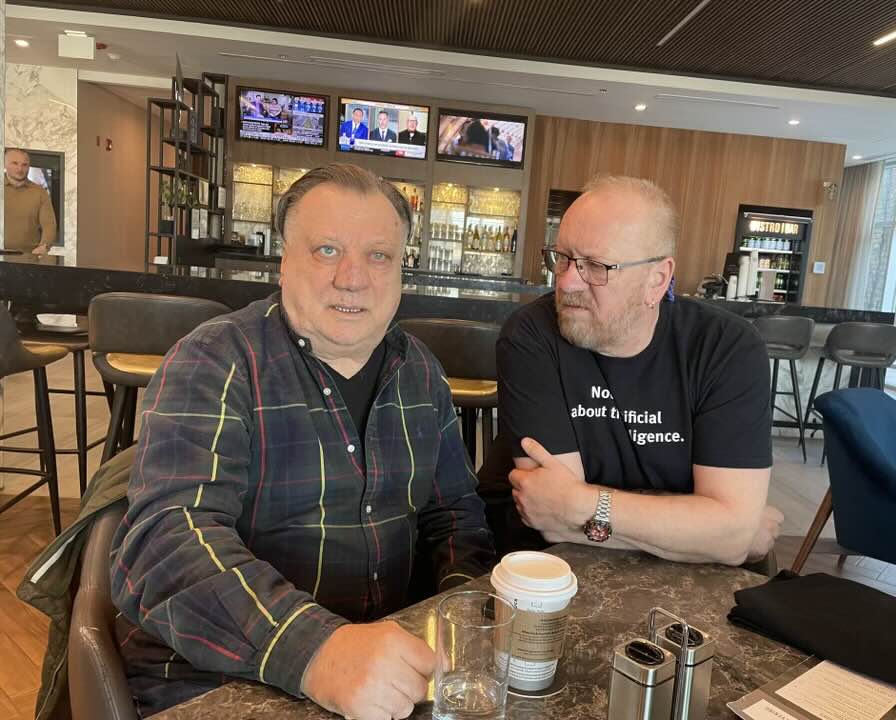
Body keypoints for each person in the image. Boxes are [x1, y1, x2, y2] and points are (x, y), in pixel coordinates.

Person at [111, 163, 496, 719]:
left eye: (379, 255)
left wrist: (454, 618)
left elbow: (454, 515)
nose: (353, 278)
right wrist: (315, 649)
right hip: (217, 677)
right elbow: (166, 541)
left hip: (384, 669)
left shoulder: (421, 372)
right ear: (284, 261)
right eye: (327, 250)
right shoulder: (216, 360)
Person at [479, 175, 782, 567]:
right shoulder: (532, 335)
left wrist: (583, 504)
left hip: (690, 587)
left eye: (596, 266)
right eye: (563, 257)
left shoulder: (726, 347)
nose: (567, 281)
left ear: (657, 280)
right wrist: (709, 528)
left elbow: (569, 511)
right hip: (554, 570)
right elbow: (551, 519)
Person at [3, 148, 56, 260]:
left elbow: (49, 225)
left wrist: (44, 246)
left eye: (24, 165)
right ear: (4, 164)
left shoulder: (40, 192)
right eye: (15, 163)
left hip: (29, 258)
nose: (20, 169)